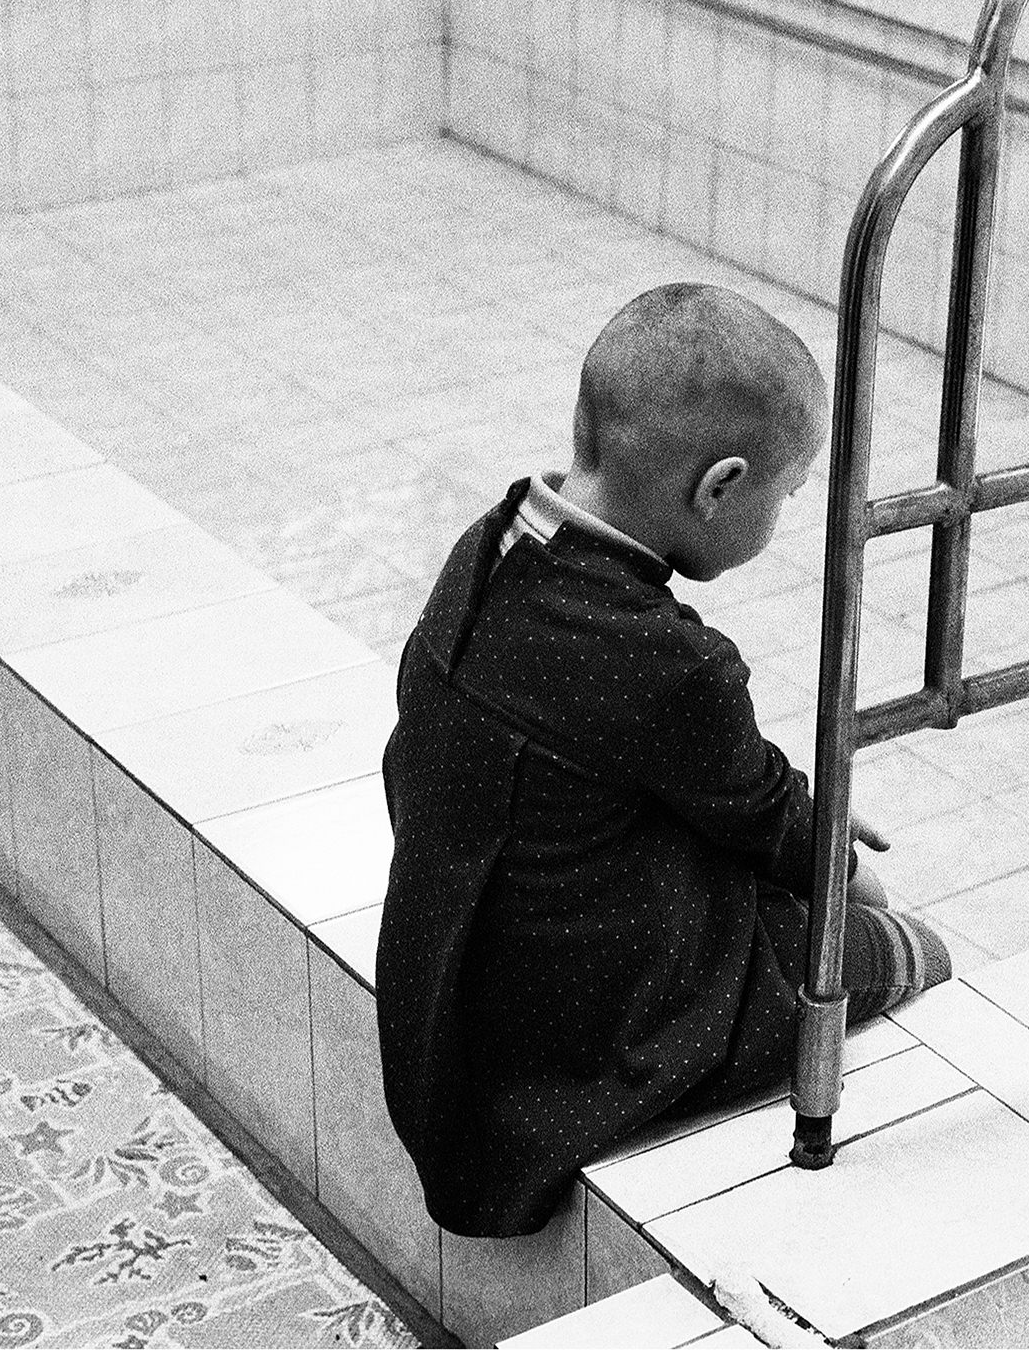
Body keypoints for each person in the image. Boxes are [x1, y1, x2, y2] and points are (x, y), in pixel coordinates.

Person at [374, 281, 953, 1239]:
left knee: (773, 890)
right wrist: (847, 872)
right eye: (786, 495)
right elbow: (762, 810)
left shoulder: (491, 548)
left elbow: (689, 775)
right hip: (576, 1051)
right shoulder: (665, 661)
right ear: (719, 486)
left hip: (448, 1007)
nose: (781, 519)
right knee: (910, 947)